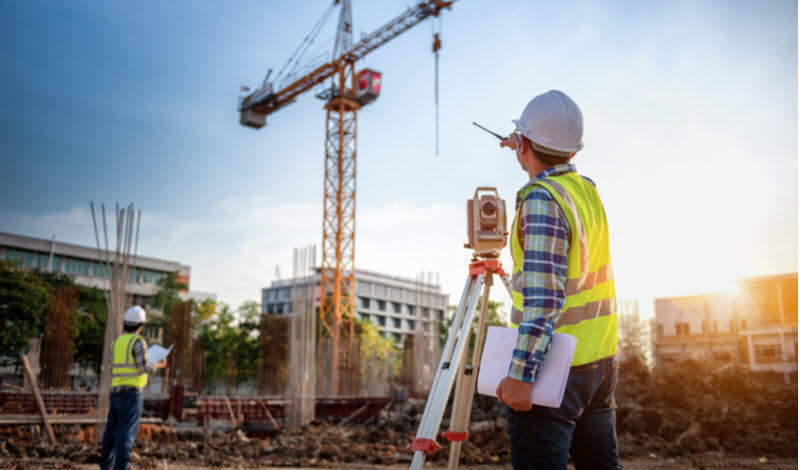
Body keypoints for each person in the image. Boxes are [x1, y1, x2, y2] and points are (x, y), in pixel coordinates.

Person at [495, 90, 623, 470]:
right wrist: (526, 144)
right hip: (598, 361)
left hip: (554, 370)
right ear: (574, 150)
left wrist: (520, 375)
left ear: (527, 144)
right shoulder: (585, 191)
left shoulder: (541, 200)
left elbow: (545, 299)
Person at [100, 306, 167, 470]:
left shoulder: (116, 342)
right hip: (131, 393)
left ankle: (106, 465)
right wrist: (159, 364)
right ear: (141, 325)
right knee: (126, 431)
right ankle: (122, 466)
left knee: (111, 430)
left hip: (115, 391)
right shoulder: (138, 342)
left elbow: (113, 366)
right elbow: (144, 366)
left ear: (125, 323)